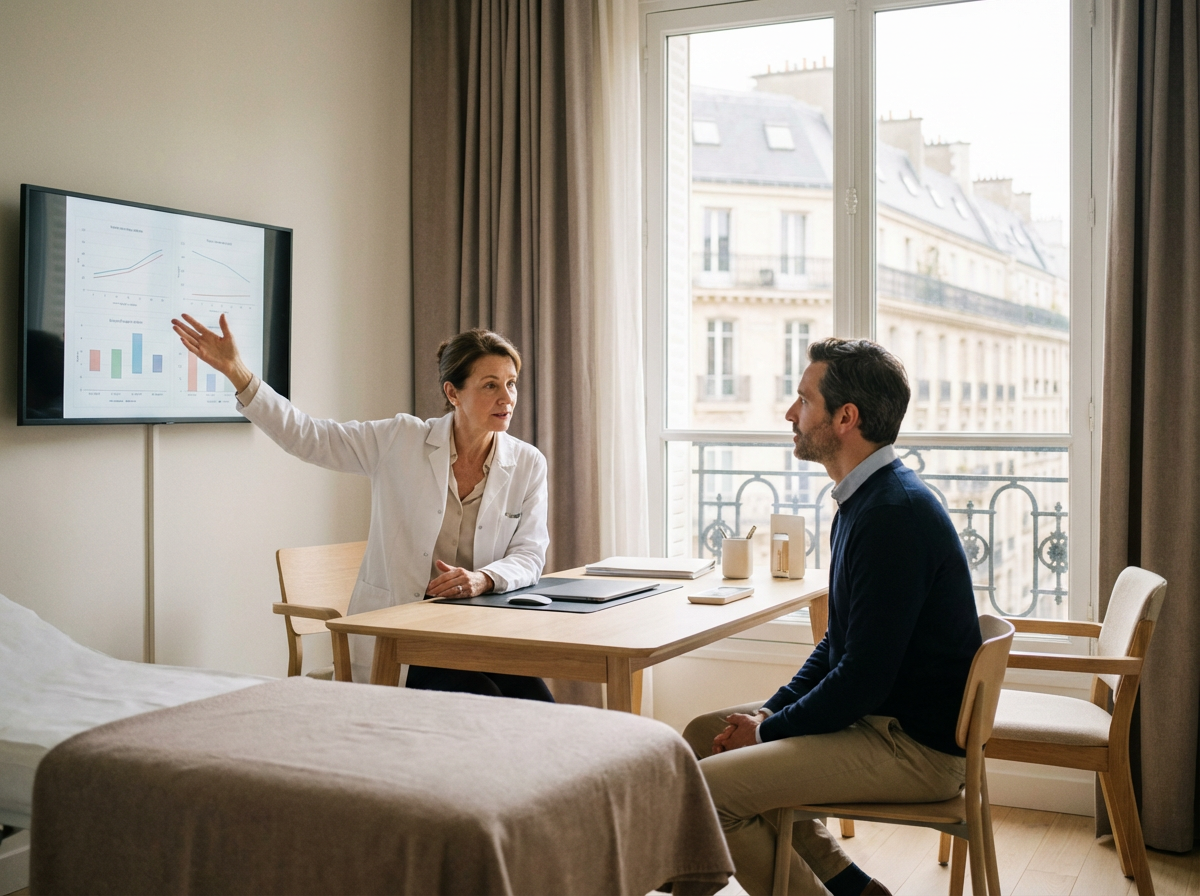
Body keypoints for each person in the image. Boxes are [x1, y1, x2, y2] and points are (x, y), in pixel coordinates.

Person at [682, 338, 981, 896]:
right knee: (702, 736)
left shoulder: (893, 515)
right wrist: (771, 709)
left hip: (911, 749)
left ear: (846, 418)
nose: (791, 414)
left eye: (804, 400)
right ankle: (852, 886)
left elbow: (863, 678)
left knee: (709, 793)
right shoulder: (865, 499)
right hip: (880, 721)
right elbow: (838, 645)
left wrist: (767, 729)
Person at [171, 313, 553, 698]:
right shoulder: (400, 440)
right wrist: (237, 371)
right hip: (403, 638)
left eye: (511, 383)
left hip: (478, 632)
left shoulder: (527, 463)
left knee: (542, 707)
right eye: (491, 385)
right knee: (484, 700)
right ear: (453, 394)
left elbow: (529, 554)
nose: (507, 398)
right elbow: (309, 437)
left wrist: (483, 578)